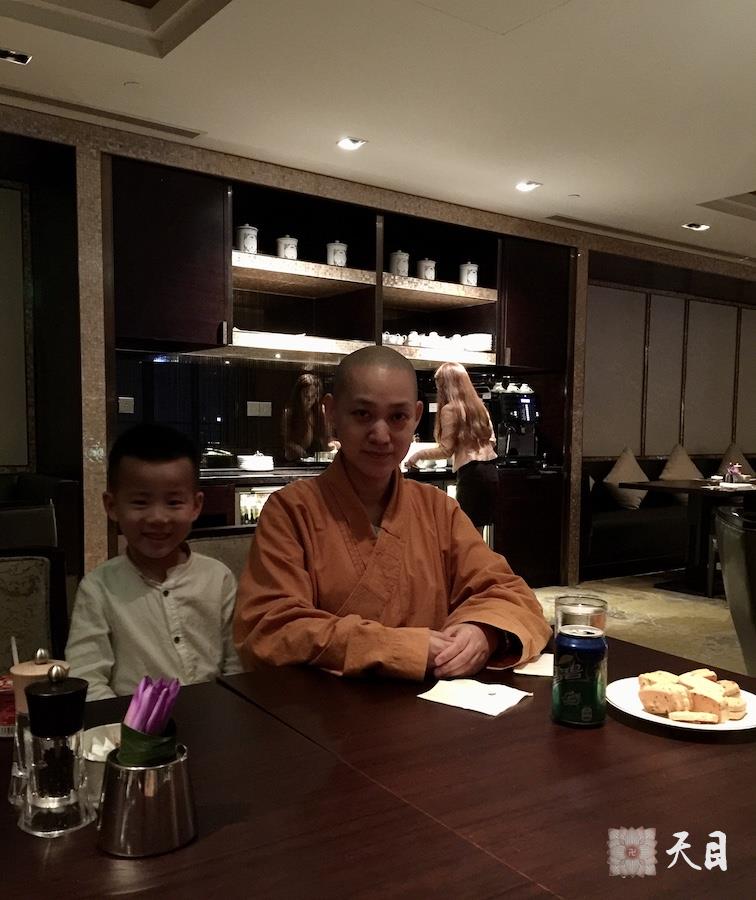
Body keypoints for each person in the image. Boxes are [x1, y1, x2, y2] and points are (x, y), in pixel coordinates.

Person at [234, 346, 550, 680]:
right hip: (323, 708)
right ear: (331, 412)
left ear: (416, 417)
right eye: (362, 414)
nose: (381, 435)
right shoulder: (291, 512)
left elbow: (511, 595)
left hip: (434, 703)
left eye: (397, 417)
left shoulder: (438, 510)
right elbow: (269, 629)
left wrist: (483, 632)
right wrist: (402, 648)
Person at [66, 424, 241, 700]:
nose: (158, 518)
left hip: (213, 718)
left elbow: (237, 666)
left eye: (173, 502)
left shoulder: (219, 578)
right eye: (140, 502)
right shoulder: (99, 588)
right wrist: (131, 724)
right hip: (129, 724)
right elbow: (87, 679)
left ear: (196, 505)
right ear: (112, 506)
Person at [405, 362, 497, 530]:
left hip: (471, 474)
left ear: (446, 385)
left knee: (463, 531)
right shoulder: (479, 406)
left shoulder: (449, 410)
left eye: (439, 384)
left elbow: (446, 450)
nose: (438, 389)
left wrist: (417, 455)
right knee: (477, 532)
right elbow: (492, 440)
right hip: (490, 472)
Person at [282, 372, 337, 462]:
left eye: (313, 396)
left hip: (316, 461)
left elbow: (326, 439)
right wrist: (296, 448)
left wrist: (334, 446)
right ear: (298, 394)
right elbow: (286, 442)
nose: (309, 400)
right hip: (294, 462)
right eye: (306, 395)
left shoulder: (319, 411)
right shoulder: (290, 413)